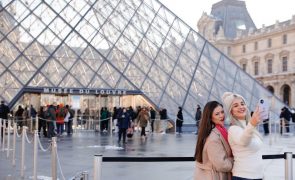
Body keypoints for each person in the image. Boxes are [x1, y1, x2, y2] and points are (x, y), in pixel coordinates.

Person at [222, 92, 263, 180]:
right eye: (235, 105)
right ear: (231, 111)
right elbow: (243, 141)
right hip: (243, 176)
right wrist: (252, 124)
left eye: (242, 104)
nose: (241, 107)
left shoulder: (247, 126)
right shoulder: (233, 129)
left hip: (256, 176)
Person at [194, 101, 233, 180]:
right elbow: (221, 164)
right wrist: (236, 161)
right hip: (216, 176)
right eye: (217, 114)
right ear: (210, 117)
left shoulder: (219, 130)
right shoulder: (213, 138)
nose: (221, 116)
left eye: (222, 112)